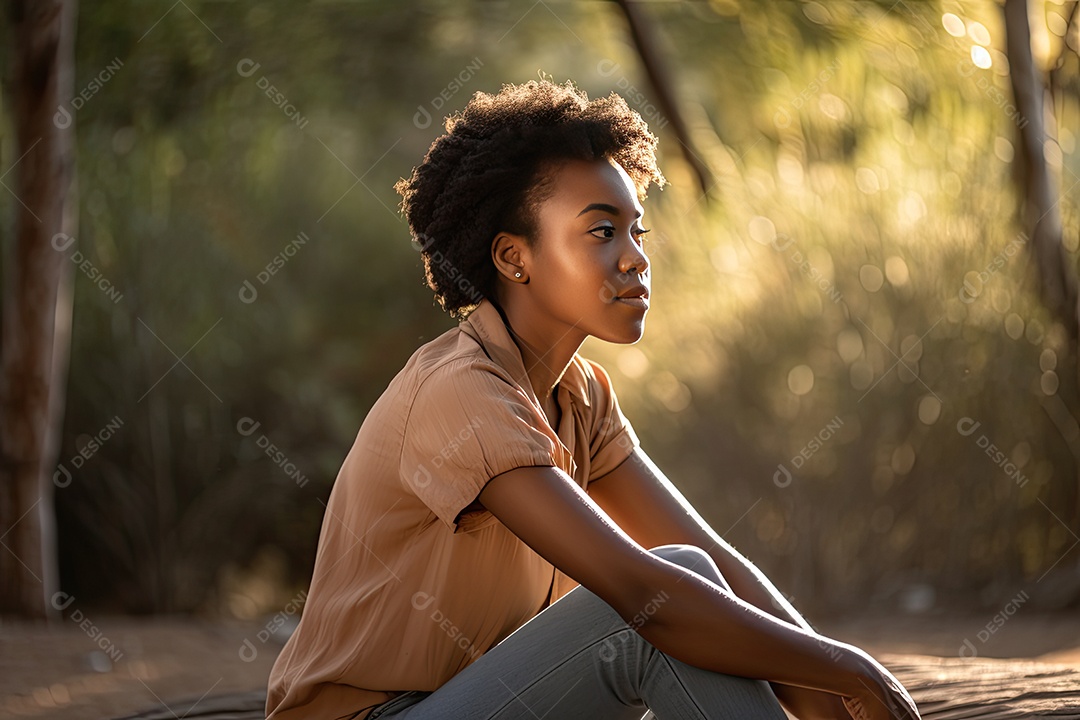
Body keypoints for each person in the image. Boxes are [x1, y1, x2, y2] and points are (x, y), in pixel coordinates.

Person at [264, 79, 921, 720]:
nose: (635, 259)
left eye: (638, 232)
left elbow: (718, 566)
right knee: (641, 616)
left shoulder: (581, 397)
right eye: (603, 232)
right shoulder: (459, 391)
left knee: (689, 586)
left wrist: (836, 697)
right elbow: (644, 598)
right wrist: (847, 668)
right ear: (513, 257)